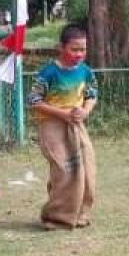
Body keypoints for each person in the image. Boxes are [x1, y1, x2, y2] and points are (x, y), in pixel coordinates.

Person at [30, 24, 99, 230]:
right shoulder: (49, 72)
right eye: (74, 49)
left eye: (83, 49)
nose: (79, 54)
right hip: (52, 126)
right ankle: (56, 217)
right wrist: (63, 114)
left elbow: (92, 94)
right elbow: (34, 100)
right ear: (62, 47)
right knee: (64, 170)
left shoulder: (86, 71)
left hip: (76, 125)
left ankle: (80, 214)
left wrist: (85, 111)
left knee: (86, 168)